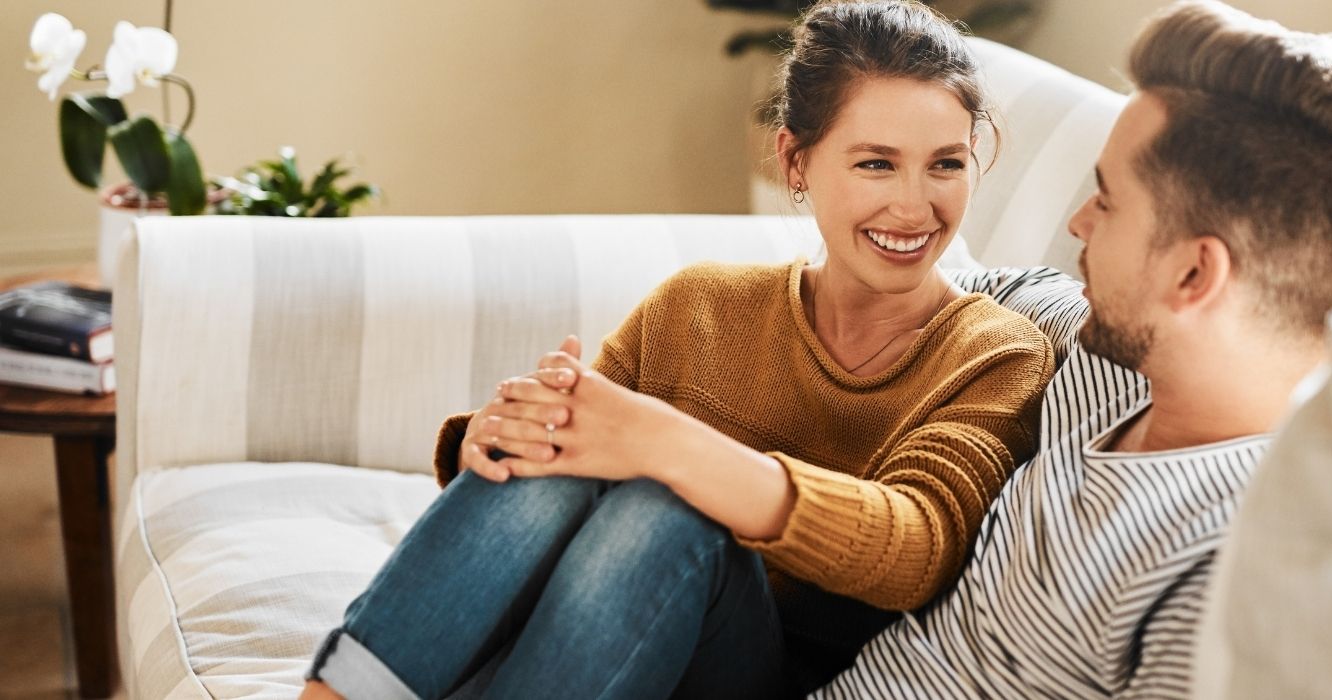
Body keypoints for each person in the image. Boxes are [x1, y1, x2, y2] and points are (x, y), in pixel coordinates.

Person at [300, 1, 1054, 698]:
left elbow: (915, 549)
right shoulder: (699, 305)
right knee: (566, 439)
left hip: (753, 672)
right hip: (595, 654)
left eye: (946, 164)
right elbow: (566, 483)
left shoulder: (994, 353)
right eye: (876, 163)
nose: (915, 205)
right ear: (796, 163)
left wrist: (667, 445)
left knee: (670, 513)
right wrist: (499, 440)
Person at [819, 0, 1332, 697]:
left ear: (1193, 274)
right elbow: (952, 286)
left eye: (1105, 202)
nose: (1078, 223)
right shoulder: (1108, 361)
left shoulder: (1247, 574)